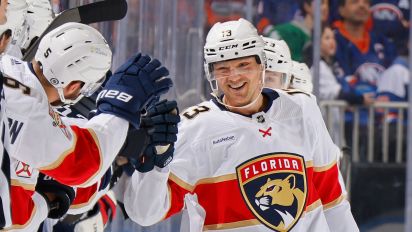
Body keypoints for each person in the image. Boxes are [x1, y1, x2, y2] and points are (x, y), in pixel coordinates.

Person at [123, 18, 358, 231]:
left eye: (243, 65)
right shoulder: (194, 128)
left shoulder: (302, 108)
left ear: (261, 65)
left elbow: (333, 201)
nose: (233, 77)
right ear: (211, 73)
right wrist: (154, 166)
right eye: (223, 69)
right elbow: (144, 214)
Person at [0, 22, 173, 230]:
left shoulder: (10, 69)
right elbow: (84, 162)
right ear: (73, 86)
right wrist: (120, 107)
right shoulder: (24, 108)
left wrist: (46, 201)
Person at [265, 0, 329, 62]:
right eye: (321, 3)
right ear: (307, 6)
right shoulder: (291, 31)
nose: (325, 7)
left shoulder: (325, 33)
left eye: (327, 4)